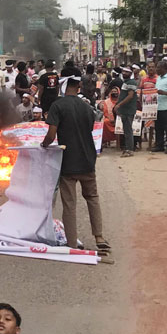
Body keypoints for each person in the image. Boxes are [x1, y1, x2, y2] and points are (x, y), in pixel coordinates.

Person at [41, 71, 110, 251]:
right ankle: (99, 237)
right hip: (88, 160)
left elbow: (51, 134)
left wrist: (43, 145)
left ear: (63, 86)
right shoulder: (87, 107)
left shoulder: (58, 106)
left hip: (68, 162)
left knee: (69, 204)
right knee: (92, 198)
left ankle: (72, 243)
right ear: (77, 86)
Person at [114, 67, 139, 157]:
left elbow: (130, 96)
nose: (124, 73)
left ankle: (129, 150)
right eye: (123, 71)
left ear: (130, 73)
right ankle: (128, 148)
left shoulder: (131, 82)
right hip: (124, 110)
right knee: (126, 130)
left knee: (128, 130)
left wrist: (119, 104)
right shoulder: (125, 82)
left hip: (128, 110)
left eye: (126, 72)